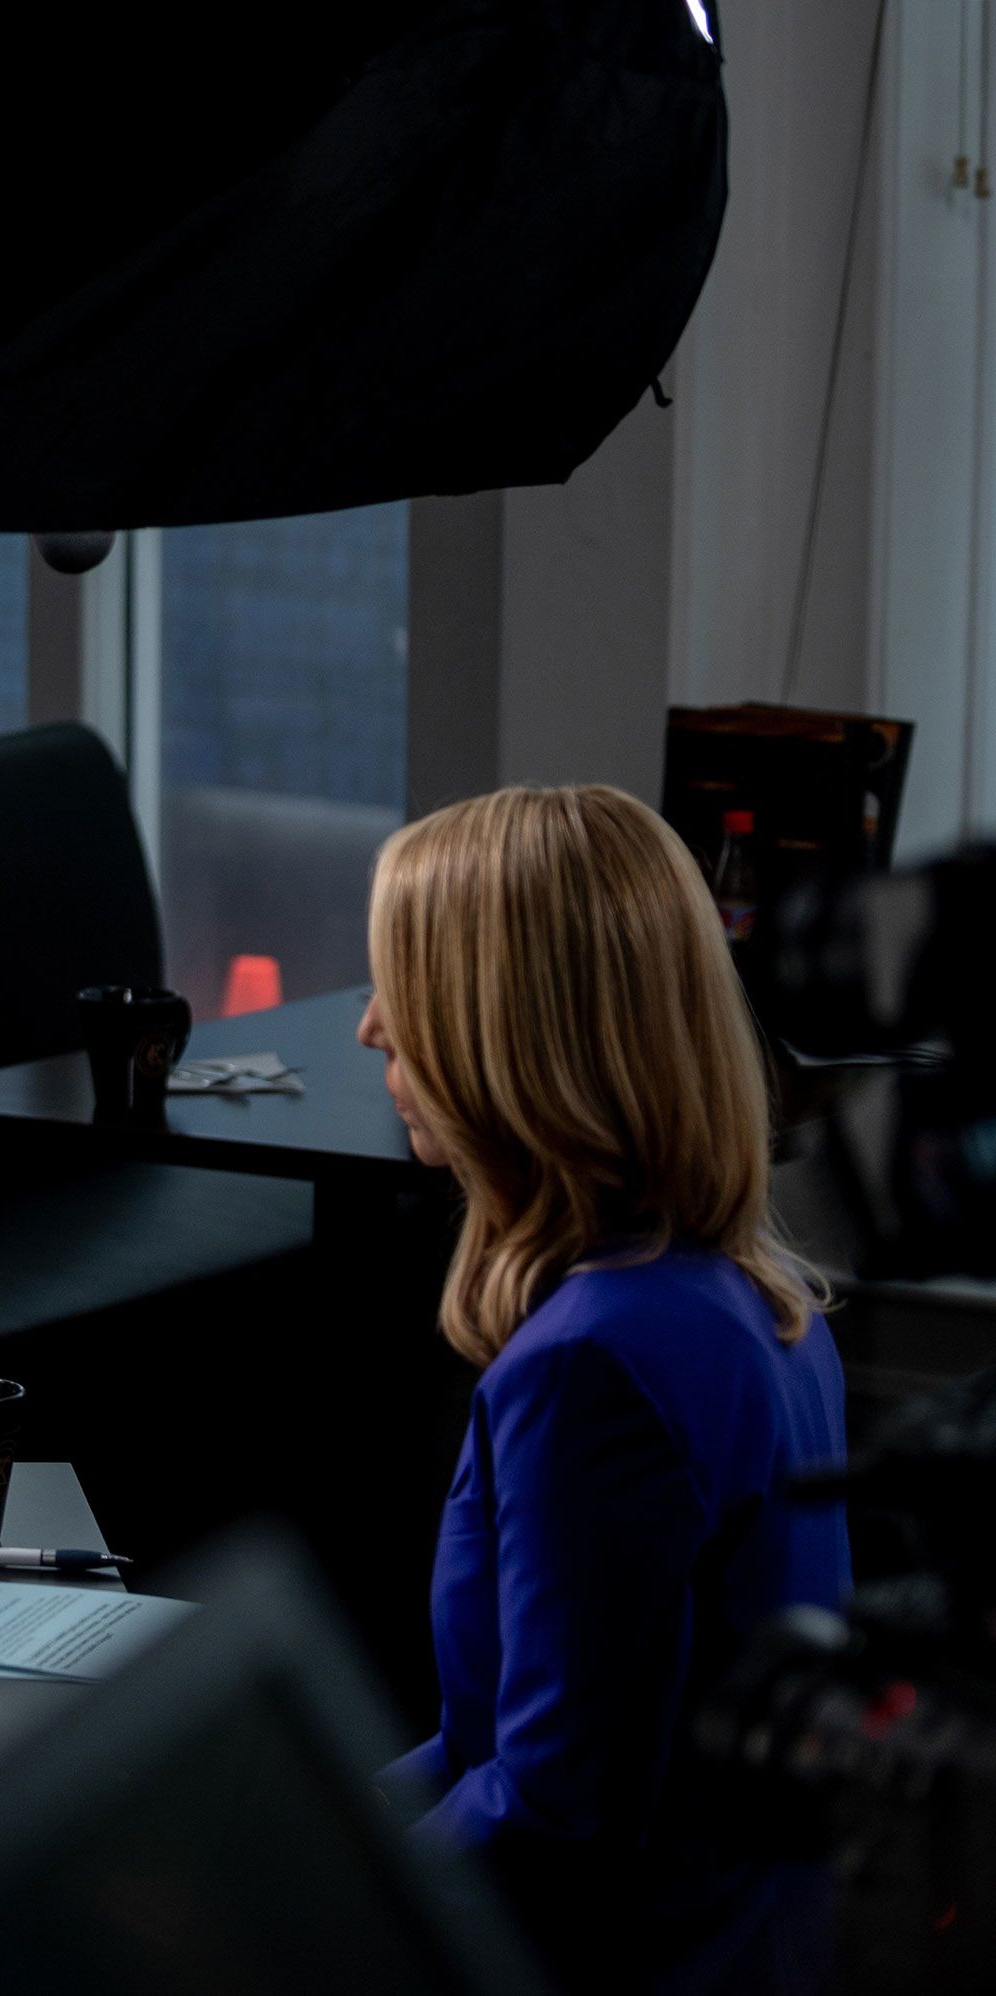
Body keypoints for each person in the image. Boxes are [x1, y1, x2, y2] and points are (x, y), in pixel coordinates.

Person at [358, 785, 847, 1996]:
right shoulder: (761, 1296)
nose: (372, 1029)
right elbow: (511, 1754)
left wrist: (299, 1897)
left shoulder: (591, 1367)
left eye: (406, 998)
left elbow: (552, 1820)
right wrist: (316, 1814)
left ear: (503, 1031)